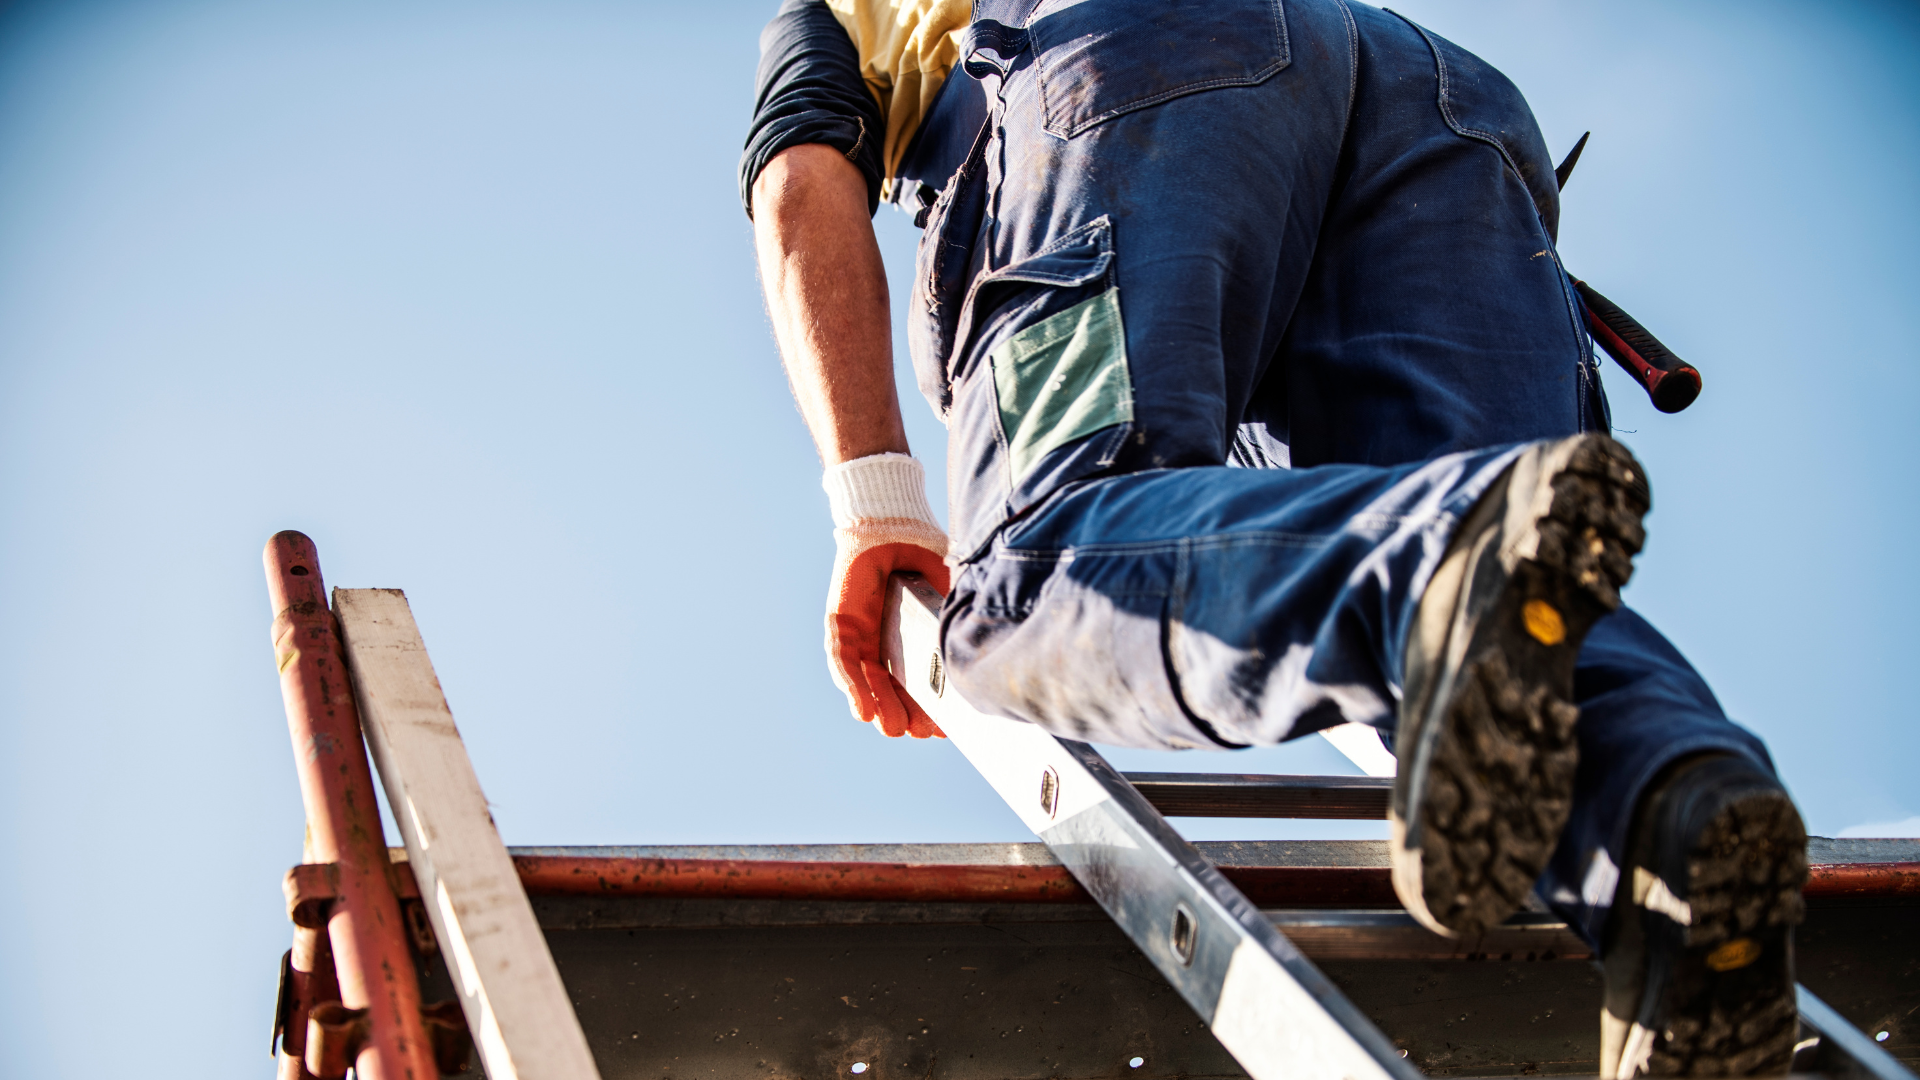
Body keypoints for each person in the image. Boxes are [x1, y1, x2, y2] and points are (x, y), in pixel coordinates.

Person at [742, 0, 1809, 1074]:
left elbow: (797, 176)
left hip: (1132, 67)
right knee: (1504, 645)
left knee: (1039, 571)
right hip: (1440, 110)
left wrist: (873, 502)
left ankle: (1436, 563)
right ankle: (1680, 839)